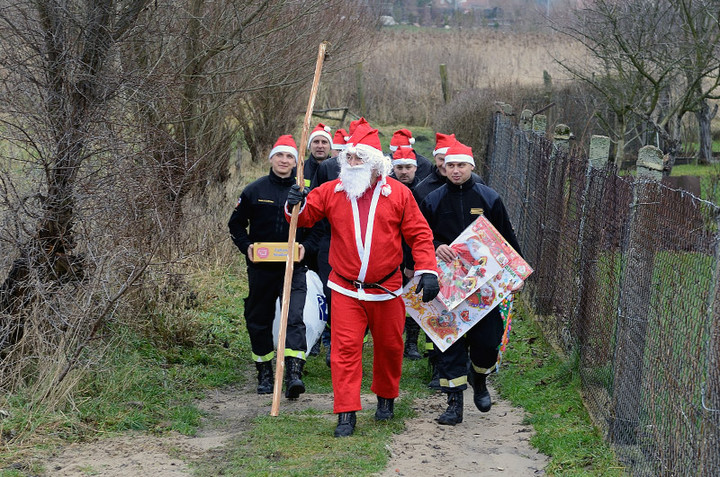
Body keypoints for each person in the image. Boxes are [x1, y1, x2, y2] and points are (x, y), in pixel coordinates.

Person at [286, 121, 440, 437]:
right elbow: (303, 217)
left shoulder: (398, 193)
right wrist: (294, 202)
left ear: (375, 162)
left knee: (390, 346)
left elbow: (420, 234)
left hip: (387, 288)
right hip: (344, 287)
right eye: (350, 158)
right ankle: (346, 412)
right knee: (344, 349)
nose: (353, 164)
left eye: (360, 158)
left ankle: (385, 397)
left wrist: (427, 269)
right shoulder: (332, 191)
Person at [420, 141, 523, 426]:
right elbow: (418, 236)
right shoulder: (432, 200)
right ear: (444, 167)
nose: (455, 170)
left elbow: (507, 239)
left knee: (487, 343)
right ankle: (454, 404)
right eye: (450, 165)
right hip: (446, 287)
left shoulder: (490, 199)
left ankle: (480, 379)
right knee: (448, 343)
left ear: (471, 167)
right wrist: (436, 244)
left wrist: (517, 275)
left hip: (484, 288)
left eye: (461, 165)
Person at [228, 134, 315, 399]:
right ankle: (265, 372)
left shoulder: (305, 193)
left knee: (294, 318)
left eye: (290, 156)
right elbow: (235, 226)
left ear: (296, 162)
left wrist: (306, 248)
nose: (284, 161)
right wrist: (248, 248)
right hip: (262, 269)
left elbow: (319, 230)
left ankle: (293, 373)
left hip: (293, 268)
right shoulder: (254, 190)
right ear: (272, 158)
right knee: (258, 319)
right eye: (280, 155)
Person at [390, 148, 423, 360]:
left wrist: (414, 261)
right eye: (399, 167)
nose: (404, 172)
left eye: (408, 167)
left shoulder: (422, 190)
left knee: (415, 298)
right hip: (392, 252)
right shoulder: (386, 189)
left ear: (415, 168)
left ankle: (411, 342)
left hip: (413, 254)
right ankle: (394, 340)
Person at [303, 123, 333, 187]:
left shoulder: (337, 170)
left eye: (324, 142)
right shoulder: (299, 169)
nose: (320, 146)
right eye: (316, 142)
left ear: (330, 146)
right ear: (309, 146)